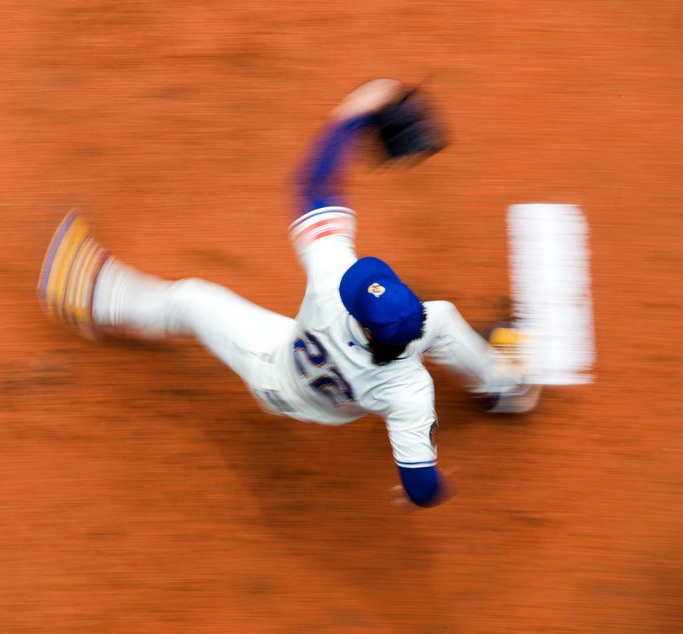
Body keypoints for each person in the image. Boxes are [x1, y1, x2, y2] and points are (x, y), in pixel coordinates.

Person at [38, 78, 538, 508]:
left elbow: (314, 184)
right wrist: (425, 492)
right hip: (337, 406)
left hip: (271, 369)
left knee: (191, 301)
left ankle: (95, 291)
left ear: (359, 320)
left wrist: (359, 108)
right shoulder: (409, 388)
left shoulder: (330, 290)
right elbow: (423, 487)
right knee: (446, 323)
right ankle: (506, 387)